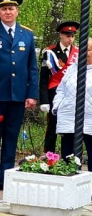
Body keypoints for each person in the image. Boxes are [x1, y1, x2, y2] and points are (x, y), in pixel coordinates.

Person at [0, 0, 39, 193]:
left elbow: (32, 67)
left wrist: (32, 94)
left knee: (11, 138)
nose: (8, 12)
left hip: (18, 95)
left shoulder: (27, 35)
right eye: (4, 9)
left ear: (17, 11)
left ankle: (7, 177)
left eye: (11, 8)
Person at [39, 21, 79, 154]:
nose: (70, 39)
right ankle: (48, 157)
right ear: (61, 35)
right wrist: (44, 100)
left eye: (72, 35)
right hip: (54, 93)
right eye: (67, 35)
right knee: (53, 127)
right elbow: (44, 78)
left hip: (72, 94)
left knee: (69, 127)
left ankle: (68, 157)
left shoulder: (78, 52)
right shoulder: (50, 52)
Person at [52, 38, 92, 166]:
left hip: (89, 118)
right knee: (68, 156)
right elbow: (61, 90)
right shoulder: (71, 69)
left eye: (88, 50)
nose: (85, 53)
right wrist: (57, 106)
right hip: (68, 117)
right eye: (82, 50)